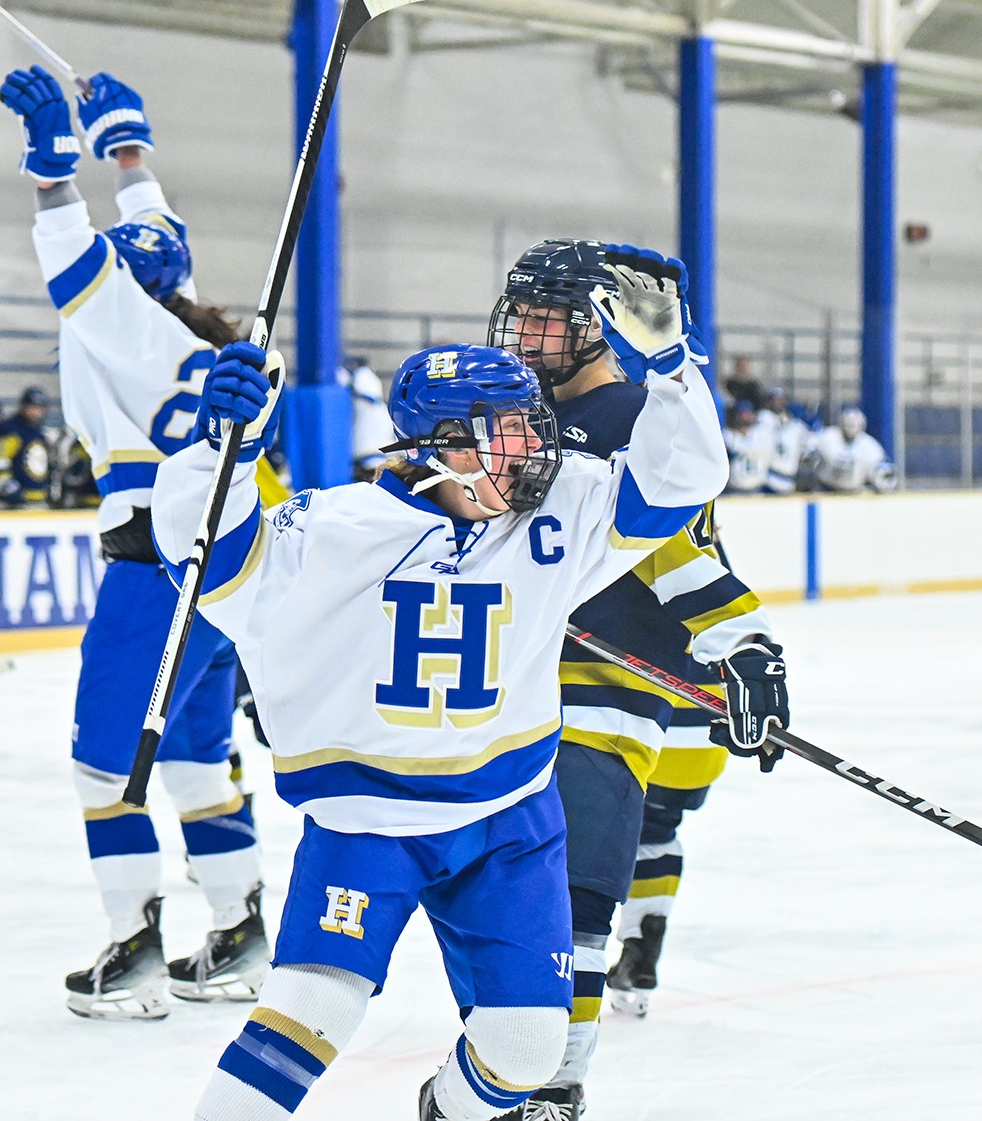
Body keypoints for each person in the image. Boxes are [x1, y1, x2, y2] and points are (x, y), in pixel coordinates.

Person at [166, 302, 726, 1121]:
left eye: (534, 428)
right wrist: (221, 448)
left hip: (513, 826)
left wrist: (674, 367)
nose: (536, 450)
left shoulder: (559, 507)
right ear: (443, 447)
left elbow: (682, 483)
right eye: (509, 433)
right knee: (311, 1012)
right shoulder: (331, 529)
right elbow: (205, 558)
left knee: (530, 1050)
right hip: (370, 827)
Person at [488, 240, 791, 1115]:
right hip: (513, 678)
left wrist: (747, 645)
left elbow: (682, 554)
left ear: (600, 327)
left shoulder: (637, 414)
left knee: (581, 884)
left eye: (550, 314)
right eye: (525, 309)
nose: (528, 329)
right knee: (510, 886)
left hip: (611, 682)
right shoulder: (510, 411)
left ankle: (559, 1076)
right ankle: (512, 1049)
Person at [2, 63, 268, 1019]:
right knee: (197, 759)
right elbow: (167, 247)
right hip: (222, 569)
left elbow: (70, 243)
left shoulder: (107, 322)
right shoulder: (192, 330)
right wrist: (130, 151)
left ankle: (136, 945)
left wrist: (54, 164)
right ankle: (240, 932)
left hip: (150, 568)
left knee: (101, 767)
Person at [0, 385, 57, 508]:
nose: (35, 412)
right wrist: (10, 490)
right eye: (31, 407)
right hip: (10, 504)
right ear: (22, 407)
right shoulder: (9, 430)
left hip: (38, 502)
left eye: (39, 408)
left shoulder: (41, 434)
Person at [803, 406, 898, 493]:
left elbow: (884, 474)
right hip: (825, 489)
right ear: (841, 423)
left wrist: (881, 484)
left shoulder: (870, 446)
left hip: (854, 492)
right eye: (848, 424)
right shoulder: (827, 437)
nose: (851, 429)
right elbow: (808, 451)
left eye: (854, 425)